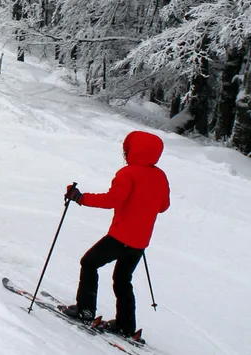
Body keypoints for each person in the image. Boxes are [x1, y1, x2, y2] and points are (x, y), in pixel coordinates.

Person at [61, 131, 171, 340]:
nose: (125, 153)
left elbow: (112, 200)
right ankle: (125, 325)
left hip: (121, 237)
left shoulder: (128, 173)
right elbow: (163, 206)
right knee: (122, 279)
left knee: (89, 263)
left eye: (126, 149)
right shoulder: (160, 176)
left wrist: (80, 198)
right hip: (140, 242)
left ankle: (85, 310)